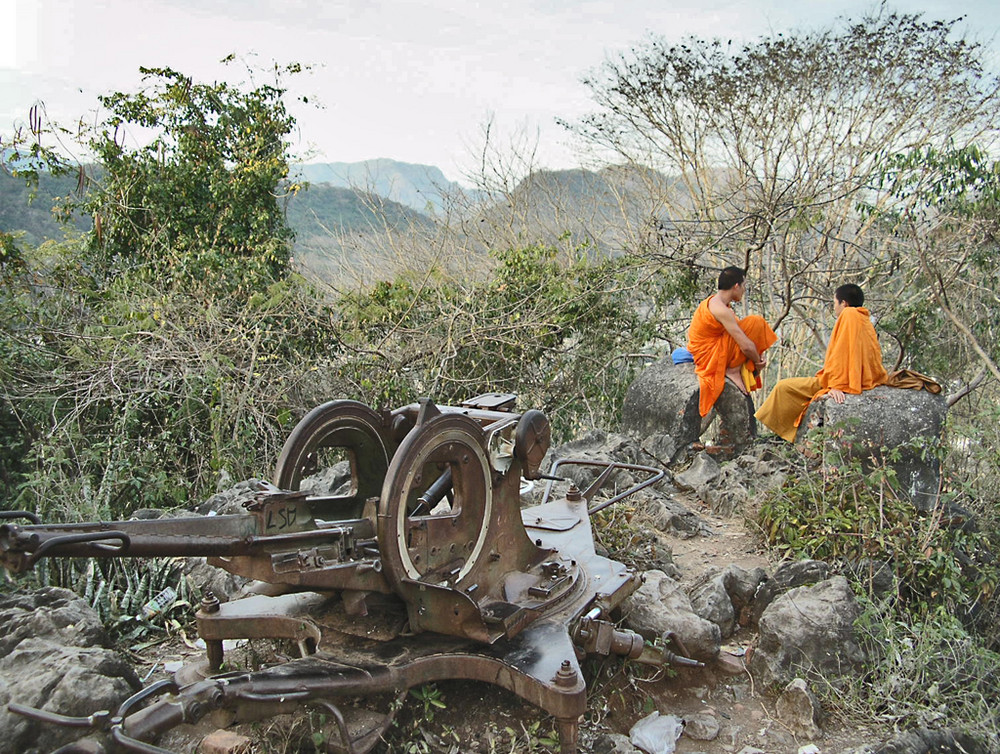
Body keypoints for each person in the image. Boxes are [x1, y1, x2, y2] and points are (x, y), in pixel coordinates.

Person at [754, 283, 888, 442]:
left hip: (842, 380)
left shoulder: (849, 315)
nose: (834, 308)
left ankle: (785, 437)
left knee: (783, 387)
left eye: (835, 303)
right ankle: (788, 435)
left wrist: (836, 386)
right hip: (856, 377)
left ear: (843, 303)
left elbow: (842, 353)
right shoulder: (864, 318)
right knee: (789, 388)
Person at [687, 266, 778, 418]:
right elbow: (745, 345)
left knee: (751, 325)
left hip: (713, 348)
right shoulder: (720, 309)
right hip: (710, 356)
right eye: (743, 286)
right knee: (756, 322)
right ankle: (733, 369)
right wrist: (758, 362)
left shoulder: (719, 304)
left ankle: (733, 367)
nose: (743, 290)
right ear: (736, 286)